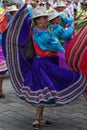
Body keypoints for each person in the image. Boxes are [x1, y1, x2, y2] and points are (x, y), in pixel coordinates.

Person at [2, 4, 87, 130]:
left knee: (44, 92)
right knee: (44, 92)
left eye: (46, 18)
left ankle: (40, 118)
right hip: (43, 65)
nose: (46, 20)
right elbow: (55, 45)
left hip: (47, 63)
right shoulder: (41, 34)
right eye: (43, 18)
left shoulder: (40, 31)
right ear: (37, 20)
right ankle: (36, 119)